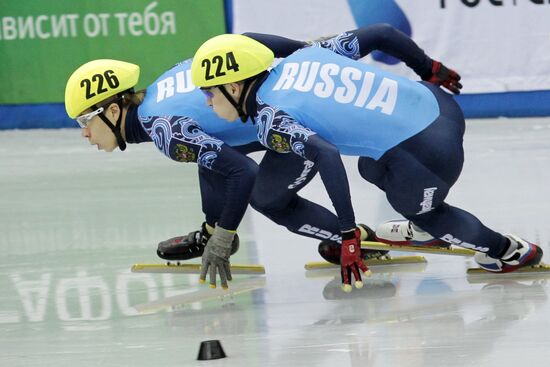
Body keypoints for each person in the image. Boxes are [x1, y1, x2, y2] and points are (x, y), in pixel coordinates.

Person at [190, 24, 543, 292]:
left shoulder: (271, 117)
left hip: (429, 153)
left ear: (234, 86)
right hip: (437, 102)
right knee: (370, 165)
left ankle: (509, 250)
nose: (207, 103)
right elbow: (382, 33)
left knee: (423, 207)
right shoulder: (305, 56)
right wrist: (430, 68)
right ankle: (420, 225)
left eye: (209, 93)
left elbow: (327, 157)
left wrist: (348, 235)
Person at [64, 30, 392, 290]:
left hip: (299, 122)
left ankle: (356, 239)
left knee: (268, 199)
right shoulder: (161, 88)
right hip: (283, 109)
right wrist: (300, 49)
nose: (85, 134)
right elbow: (242, 41)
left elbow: (242, 172)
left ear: (113, 111)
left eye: (84, 122)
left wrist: (223, 237)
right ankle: (210, 229)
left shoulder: (162, 128)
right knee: (208, 155)